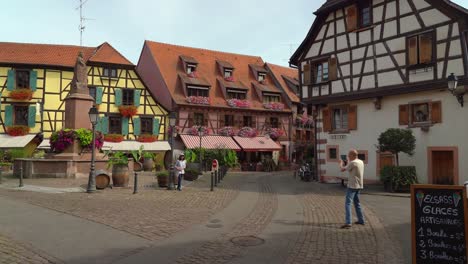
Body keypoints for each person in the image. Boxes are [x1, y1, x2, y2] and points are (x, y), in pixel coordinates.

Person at [339, 149, 365, 229]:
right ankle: (361, 220)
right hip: (359, 185)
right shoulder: (360, 161)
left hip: (352, 186)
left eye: (349, 155)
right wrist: (347, 162)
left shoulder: (353, 163)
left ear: (353, 155)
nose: (348, 157)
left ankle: (348, 222)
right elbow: (350, 168)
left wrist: (340, 163)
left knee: (348, 204)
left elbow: (342, 169)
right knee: (357, 203)